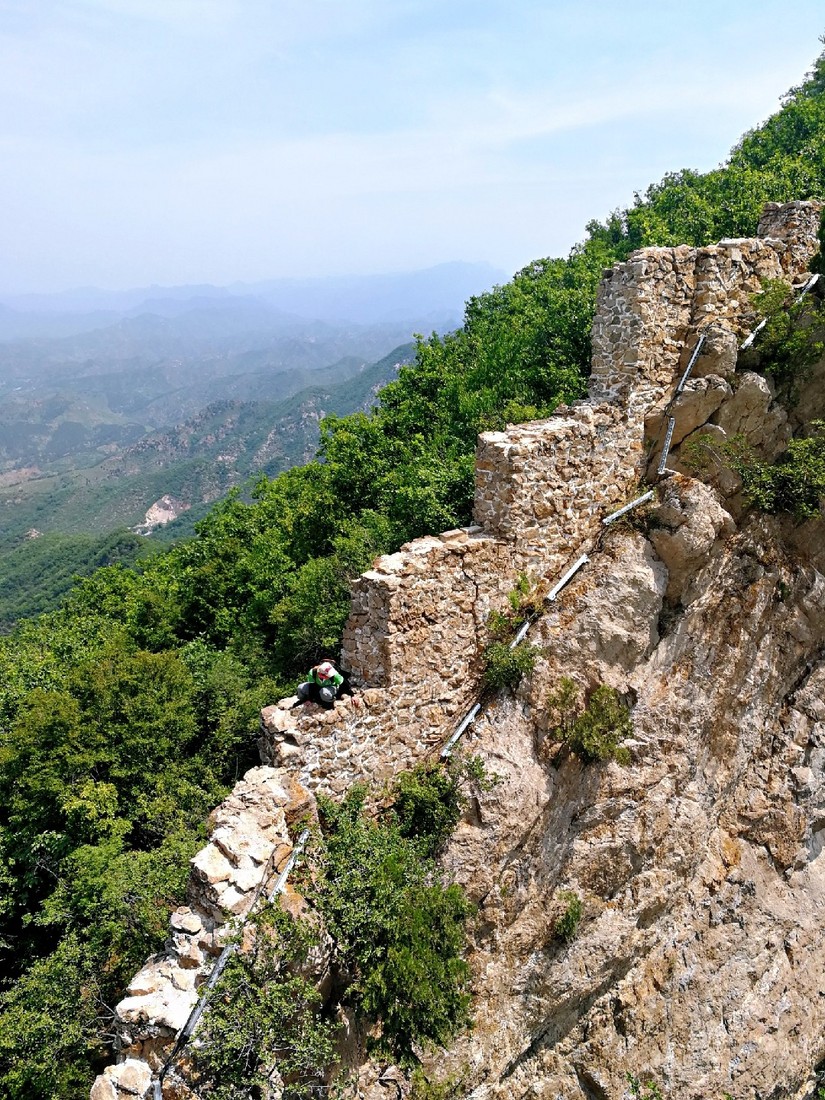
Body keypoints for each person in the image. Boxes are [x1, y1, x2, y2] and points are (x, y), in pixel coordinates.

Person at [291, 660, 359, 710]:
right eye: (327, 675)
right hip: (317, 686)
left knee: (324, 692)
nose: (329, 676)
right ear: (320, 674)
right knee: (300, 687)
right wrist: (309, 699)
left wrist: (352, 695)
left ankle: (328, 703)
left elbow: (344, 683)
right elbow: (312, 686)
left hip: (330, 687)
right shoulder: (313, 672)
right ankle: (303, 700)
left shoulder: (334, 674)